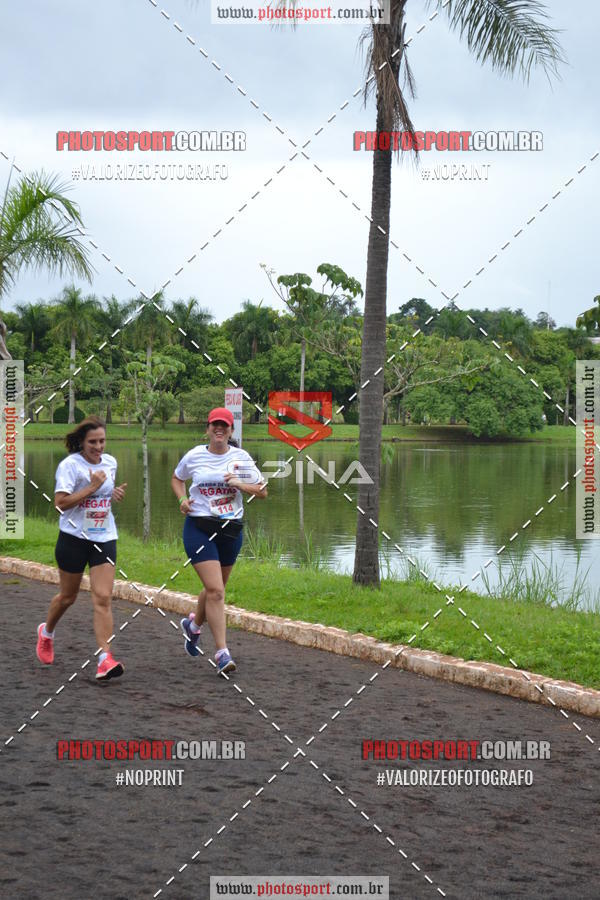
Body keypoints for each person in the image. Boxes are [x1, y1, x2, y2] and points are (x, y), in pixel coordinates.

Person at [171, 407, 267, 674]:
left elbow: (262, 491)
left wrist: (240, 484)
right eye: (215, 424)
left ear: (231, 430)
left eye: (224, 425)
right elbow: (177, 478)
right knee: (216, 591)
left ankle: (193, 627)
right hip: (199, 528)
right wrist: (182, 499)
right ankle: (222, 653)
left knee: (216, 588)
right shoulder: (194, 455)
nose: (219, 429)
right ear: (208, 428)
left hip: (230, 530)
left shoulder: (241, 458)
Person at [35, 416, 128, 681]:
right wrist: (92, 487)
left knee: (103, 597)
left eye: (102, 441)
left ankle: (104, 659)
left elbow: (102, 494)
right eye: (92, 442)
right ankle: (46, 632)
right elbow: (60, 504)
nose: (98, 447)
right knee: (68, 597)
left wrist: (111, 494)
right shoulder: (70, 466)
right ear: (82, 442)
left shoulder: (110, 462)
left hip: (104, 537)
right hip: (73, 538)